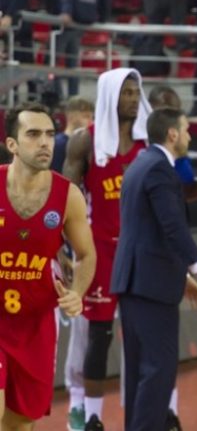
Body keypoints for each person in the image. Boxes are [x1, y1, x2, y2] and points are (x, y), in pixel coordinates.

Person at [112, 107, 197, 431]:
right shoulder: (160, 169)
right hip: (149, 286)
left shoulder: (140, 164)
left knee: (140, 371)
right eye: (187, 129)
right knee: (159, 371)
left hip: (135, 281)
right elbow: (173, 228)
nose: (189, 136)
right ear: (173, 134)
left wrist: (182, 275)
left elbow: (149, 230)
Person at [62, 68, 151, 431]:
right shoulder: (85, 141)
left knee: (143, 340)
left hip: (141, 252)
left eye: (136, 92)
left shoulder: (150, 145)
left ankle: (149, 412)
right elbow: (65, 199)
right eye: (125, 92)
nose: (132, 99)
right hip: (97, 251)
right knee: (95, 338)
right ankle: (86, 412)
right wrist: (63, 251)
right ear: (109, 97)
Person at [0, 102, 96, 430]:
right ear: (11, 144)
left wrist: (77, 292)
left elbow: (86, 255)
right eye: (33, 134)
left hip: (36, 323)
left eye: (50, 134)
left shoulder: (68, 196)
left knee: (19, 423)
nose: (45, 142)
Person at [52, 0, 111, 98]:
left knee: (53, 61)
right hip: (86, 19)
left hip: (67, 21)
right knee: (72, 62)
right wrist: (103, 17)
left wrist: (66, 11)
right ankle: (73, 97)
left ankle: (56, 97)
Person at [53, 96, 95, 173]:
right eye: (86, 116)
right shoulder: (58, 145)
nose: (91, 122)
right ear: (71, 117)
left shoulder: (88, 143)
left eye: (92, 118)